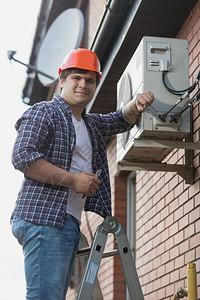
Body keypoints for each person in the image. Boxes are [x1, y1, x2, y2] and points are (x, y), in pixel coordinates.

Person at [11, 48, 154, 300]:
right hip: (45, 217)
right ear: (62, 80)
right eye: (76, 77)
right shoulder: (44, 112)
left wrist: (137, 104)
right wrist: (74, 180)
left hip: (66, 221)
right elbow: (23, 156)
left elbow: (120, 119)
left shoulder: (89, 124)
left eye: (90, 80)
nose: (83, 84)